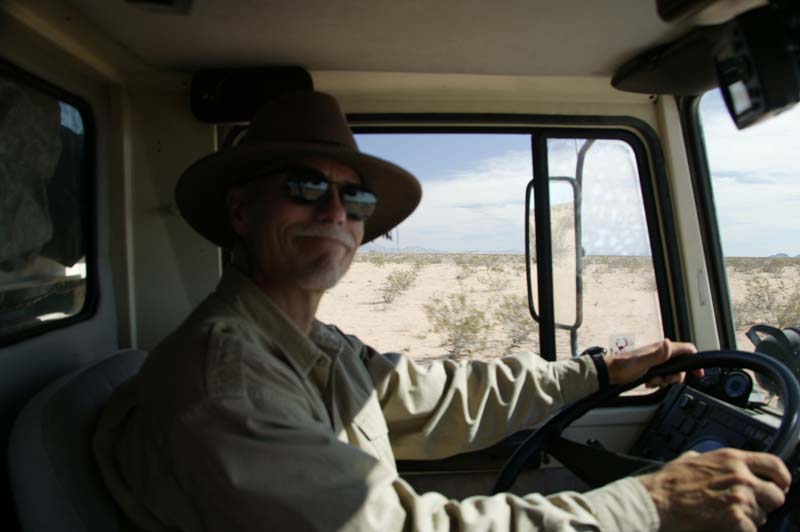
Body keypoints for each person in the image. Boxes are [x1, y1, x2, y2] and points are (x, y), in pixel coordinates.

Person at [94, 91, 791, 532]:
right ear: (242, 211)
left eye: (355, 198)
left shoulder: (309, 344)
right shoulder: (230, 380)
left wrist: (601, 372)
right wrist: (650, 504)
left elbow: (439, 397)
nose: (334, 210)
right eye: (304, 187)